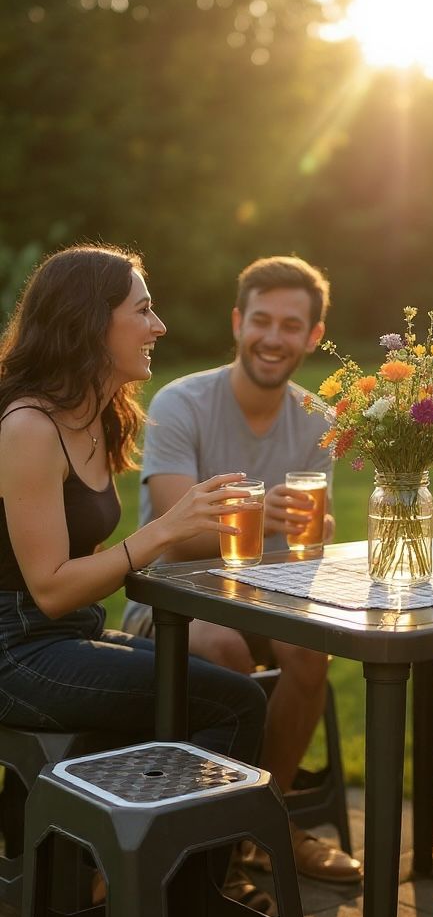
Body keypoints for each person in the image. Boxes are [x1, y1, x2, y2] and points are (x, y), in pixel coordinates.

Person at [0, 243, 272, 908]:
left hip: (69, 636)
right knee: (235, 704)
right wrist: (163, 532)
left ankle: (126, 883)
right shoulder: (29, 427)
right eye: (144, 310)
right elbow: (52, 586)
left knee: (202, 676)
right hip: (19, 650)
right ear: (91, 321)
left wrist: (171, 536)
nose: (160, 326)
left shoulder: (100, 412)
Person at [122, 256, 362, 884]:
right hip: (174, 604)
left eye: (291, 325)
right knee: (225, 648)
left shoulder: (317, 418)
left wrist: (317, 531)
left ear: (312, 337)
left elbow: (313, 537)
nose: (273, 338)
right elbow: (176, 543)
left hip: (267, 594)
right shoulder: (181, 403)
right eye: (261, 320)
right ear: (237, 322)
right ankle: (212, 842)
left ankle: (262, 820)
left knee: (310, 652)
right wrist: (262, 512)